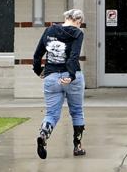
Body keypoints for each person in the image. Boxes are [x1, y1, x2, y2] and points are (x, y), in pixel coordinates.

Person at [33, 8, 86, 159]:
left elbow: (37, 55)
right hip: (72, 78)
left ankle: (43, 134)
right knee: (76, 111)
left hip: (51, 77)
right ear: (77, 20)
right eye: (80, 23)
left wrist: (39, 71)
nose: (80, 26)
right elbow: (74, 56)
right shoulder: (77, 33)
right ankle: (77, 146)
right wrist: (70, 75)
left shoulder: (49, 30)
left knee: (51, 114)